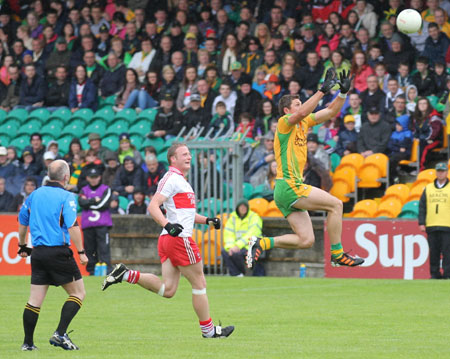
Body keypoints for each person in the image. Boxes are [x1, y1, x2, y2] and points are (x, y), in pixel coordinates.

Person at [102, 143, 234, 339]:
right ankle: (209, 331)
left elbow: (185, 214)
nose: (189, 157)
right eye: (184, 154)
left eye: (189, 154)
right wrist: (167, 225)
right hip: (178, 239)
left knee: (168, 289)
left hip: (170, 239)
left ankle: (127, 275)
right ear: (173, 159)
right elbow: (153, 206)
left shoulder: (180, 181)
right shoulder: (171, 178)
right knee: (199, 283)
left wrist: (206, 220)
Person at [246, 69, 365, 269]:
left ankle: (262, 242)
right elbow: (303, 112)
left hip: (287, 189)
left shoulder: (304, 123)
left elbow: (329, 112)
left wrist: (342, 94)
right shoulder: (284, 123)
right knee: (336, 205)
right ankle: (337, 254)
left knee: (306, 240)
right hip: (289, 186)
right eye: (297, 104)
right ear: (286, 110)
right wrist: (321, 91)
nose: (302, 108)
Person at [17, 160, 88, 351]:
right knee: (78, 293)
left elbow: (22, 223)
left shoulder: (34, 195)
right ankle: (60, 334)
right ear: (66, 177)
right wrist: (81, 252)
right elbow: (72, 225)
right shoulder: (67, 196)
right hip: (58, 252)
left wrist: (23, 245)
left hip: (38, 253)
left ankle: (28, 343)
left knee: (35, 299)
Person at [78, 167, 113, 275]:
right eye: (91, 177)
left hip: (102, 224)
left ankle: (107, 270)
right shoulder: (84, 190)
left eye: (96, 177)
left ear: (100, 177)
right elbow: (81, 202)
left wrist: (89, 204)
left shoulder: (106, 189)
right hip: (88, 225)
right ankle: (91, 271)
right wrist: (94, 200)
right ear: (88, 178)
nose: (94, 180)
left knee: (104, 248)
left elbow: (104, 204)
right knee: (89, 249)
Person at [418, 162, 450, 279]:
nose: (440, 173)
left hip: (447, 224)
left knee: (447, 252)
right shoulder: (429, 188)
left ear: (446, 172)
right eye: (438, 171)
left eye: (442, 171)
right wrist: (421, 222)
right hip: (432, 224)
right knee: (434, 252)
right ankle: (434, 274)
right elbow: (422, 207)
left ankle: (447, 274)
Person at [222, 199, 265, 277]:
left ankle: (243, 273)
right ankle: (236, 274)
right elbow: (228, 235)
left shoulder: (254, 217)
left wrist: (238, 246)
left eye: (245, 206)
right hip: (237, 246)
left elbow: (252, 233)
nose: (243, 208)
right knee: (225, 251)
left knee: (238, 254)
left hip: (252, 245)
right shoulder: (232, 219)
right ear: (237, 208)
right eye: (241, 206)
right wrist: (231, 247)